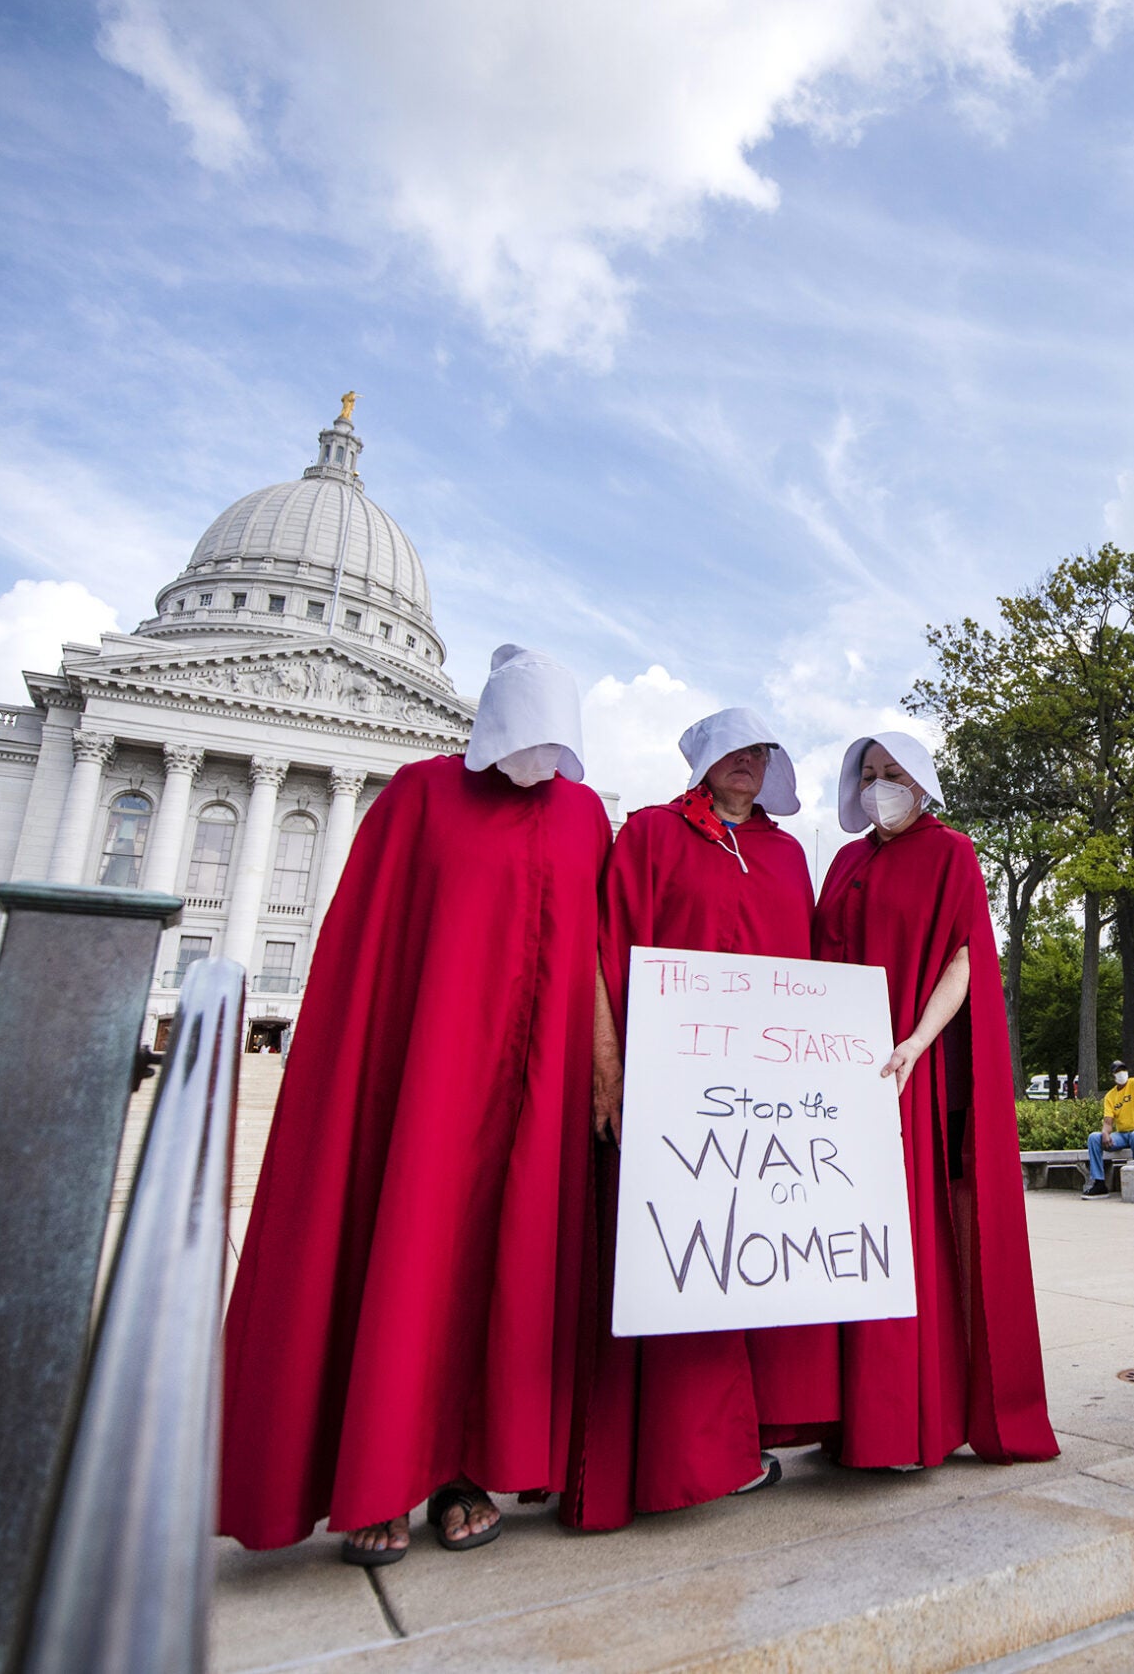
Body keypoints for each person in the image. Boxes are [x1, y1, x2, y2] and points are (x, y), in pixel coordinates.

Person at [219, 646, 612, 1565]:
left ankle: (466, 1471)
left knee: (505, 1276)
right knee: (410, 1263)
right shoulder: (418, 795)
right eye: (531, 732)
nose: (544, 754)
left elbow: (599, 944)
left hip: (533, 1095)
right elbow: (370, 946)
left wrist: (604, 1063)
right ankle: (380, 1477)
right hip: (427, 1084)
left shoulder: (585, 815)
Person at [561, 706, 838, 1530]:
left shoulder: (790, 857)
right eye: (735, 750)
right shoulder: (646, 835)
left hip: (767, 1114)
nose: (749, 762)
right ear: (705, 760)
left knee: (751, 1269)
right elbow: (606, 950)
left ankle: (755, 1436)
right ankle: (680, 1459)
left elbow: (813, 979)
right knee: (677, 1276)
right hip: (673, 1103)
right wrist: (606, 1066)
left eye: (763, 751)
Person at [813, 733, 1059, 1471]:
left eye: (894, 775)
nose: (880, 786)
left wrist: (915, 1043)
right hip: (844, 1070)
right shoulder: (846, 861)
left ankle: (915, 1417)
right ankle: (855, 1419)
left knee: (919, 1235)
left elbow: (963, 959)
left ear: (921, 784)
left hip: (913, 1068)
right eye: (869, 775)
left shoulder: (952, 850)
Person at [1084, 1064, 1134, 1198]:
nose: (1121, 1073)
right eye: (1117, 1072)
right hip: (1122, 1135)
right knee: (1094, 1138)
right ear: (1113, 1076)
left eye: (1123, 1070)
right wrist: (1105, 1133)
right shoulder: (1110, 1096)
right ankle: (1099, 1183)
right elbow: (1108, 1122)